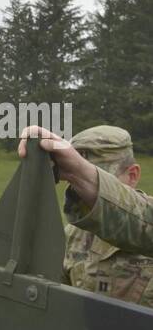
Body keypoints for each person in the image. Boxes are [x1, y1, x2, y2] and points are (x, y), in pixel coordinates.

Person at [19, 127, 153, 257]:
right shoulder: (71, 238)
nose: (83, 191)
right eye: (75, 181)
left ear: (132, 175)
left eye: (104, 178)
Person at [61, 126, 153, 307]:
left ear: (132, 175)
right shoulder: (72, 235)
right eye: (78, 182)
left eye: (99, 182)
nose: (85, 192)